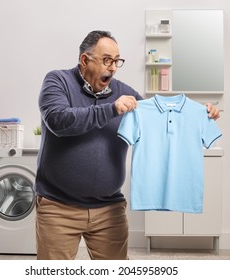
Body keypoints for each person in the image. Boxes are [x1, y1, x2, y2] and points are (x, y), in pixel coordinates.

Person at [34, 30, 220, 260]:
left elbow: (159, 125)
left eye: (116, 61)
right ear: (84, 60)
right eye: (106, 60)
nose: (112, 67)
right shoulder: (57, 81)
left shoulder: (126, 94)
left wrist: (202, 114)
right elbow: (58, 120)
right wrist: (111, 109)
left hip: (109, 210)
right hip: (58, 208)